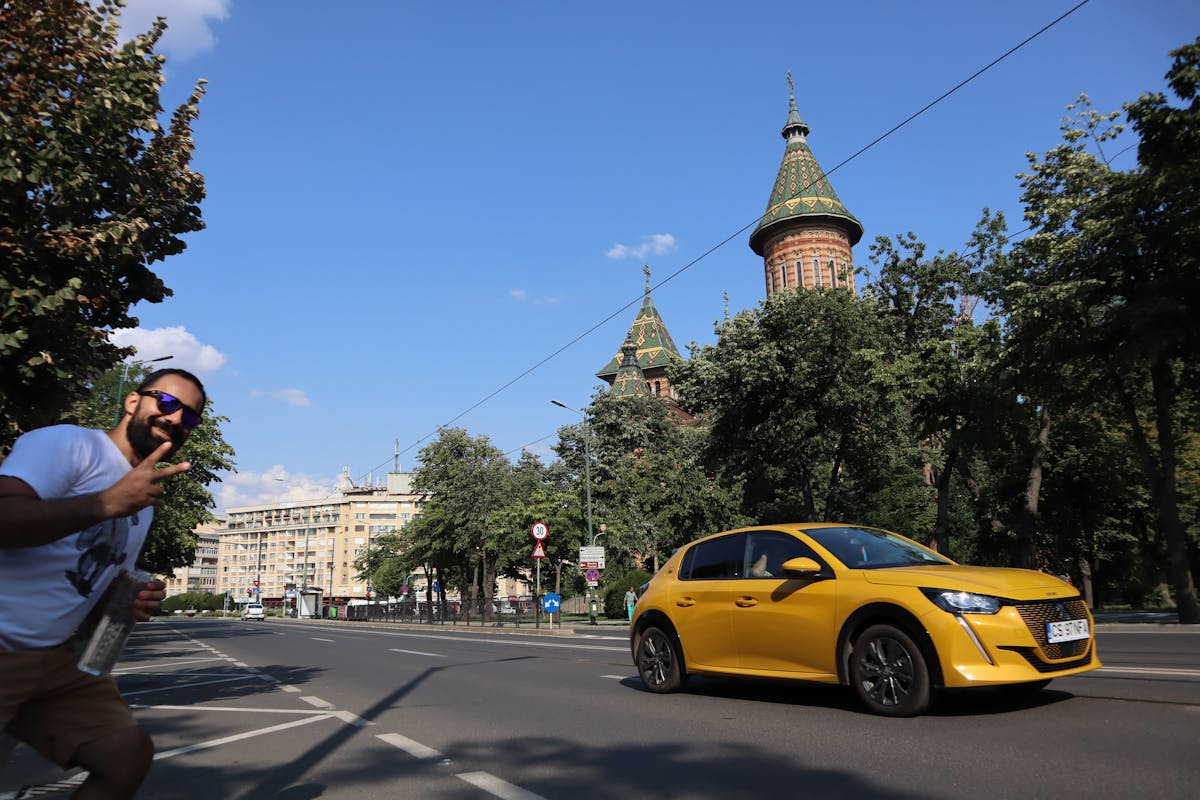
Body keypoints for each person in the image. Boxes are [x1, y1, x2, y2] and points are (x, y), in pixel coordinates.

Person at [0, 368, 205, 798]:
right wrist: (105, 503)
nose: (174, 420)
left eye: (189, 417)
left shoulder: (143, 503)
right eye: (166, 403)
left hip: (53, 659)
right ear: (133, 401)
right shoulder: (69, 444)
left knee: (125, 757)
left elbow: (87, 586)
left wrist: (125, 600)